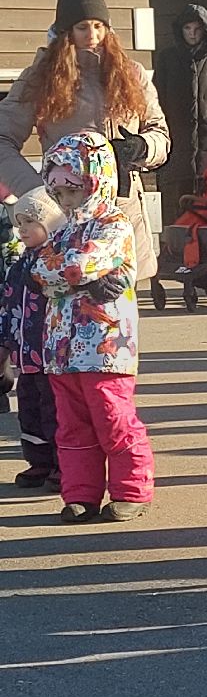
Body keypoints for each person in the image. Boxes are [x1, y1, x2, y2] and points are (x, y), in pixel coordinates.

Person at [0, 0, 170, 282]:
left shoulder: (131, 74)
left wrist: (143, 147)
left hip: (122, 211)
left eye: (99, 26)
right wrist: (40, 193)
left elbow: (161, 135)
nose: (92, 34)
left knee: (123, 321)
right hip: (65, 218)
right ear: (66, 32)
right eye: (82, 27)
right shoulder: (40, 77)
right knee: (72, 321)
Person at [35, 132, 156, 523]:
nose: (66, 200)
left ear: (94, 182)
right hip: (60, 348)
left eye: (73, 189)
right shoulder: (60, 230)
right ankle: (80, 494)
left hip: (106, 346)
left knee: (113, 418)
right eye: (58, 191)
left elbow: (77, 265)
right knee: (71, 427)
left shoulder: (113, 223)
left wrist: (65, 276)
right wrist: (67, 276)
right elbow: (38, 270)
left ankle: (131, 490)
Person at [1, 187, 66, 491]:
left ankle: (60, 463)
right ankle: (38, 461)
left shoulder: (56, 263)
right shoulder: (18, 266)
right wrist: (5, 344)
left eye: (31, 222)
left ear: (51, 225)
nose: (22, 229)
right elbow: (9, 306)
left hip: (51, 356)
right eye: (20, 223)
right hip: (24, 356)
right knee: (28, 411)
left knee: (54, 411)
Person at [151, 4, 207, 223]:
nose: (191, 33)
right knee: (177, 209)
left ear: (205, 30)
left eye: (197, 29)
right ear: (180, 30)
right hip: (176, 149)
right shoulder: (167, 59)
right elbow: (155, 96)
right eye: (187, 28)